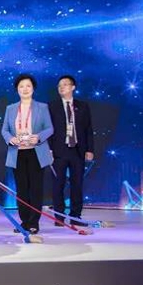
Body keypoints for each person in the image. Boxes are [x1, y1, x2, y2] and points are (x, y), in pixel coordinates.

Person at [1, 74, 54, 234]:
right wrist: (10, 139)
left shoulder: (42, 107)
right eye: (21, 86)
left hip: (36, 152)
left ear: (33, 88)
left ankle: (34, 222)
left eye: (28, 86)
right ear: (17, 89)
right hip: (17, 153)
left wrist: (38, 137)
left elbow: (50, 128)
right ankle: (24, 221)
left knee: (36, 188)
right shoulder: (10, 108)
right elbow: (4, 130)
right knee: (22, 189)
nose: (25, 89)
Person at [48, 75, 95, 226]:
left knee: (77, 184)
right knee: (58, 185)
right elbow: (48, 129)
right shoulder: (52, 106)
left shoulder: (82, 106)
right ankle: (59, 217)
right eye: (59, 85)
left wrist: (89, 149)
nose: (62, 87)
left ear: (73, 87)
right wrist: (49, 149)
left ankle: (75, 216)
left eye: (65, 84)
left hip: (77, 150)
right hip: (59, 151)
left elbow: (88, 129)